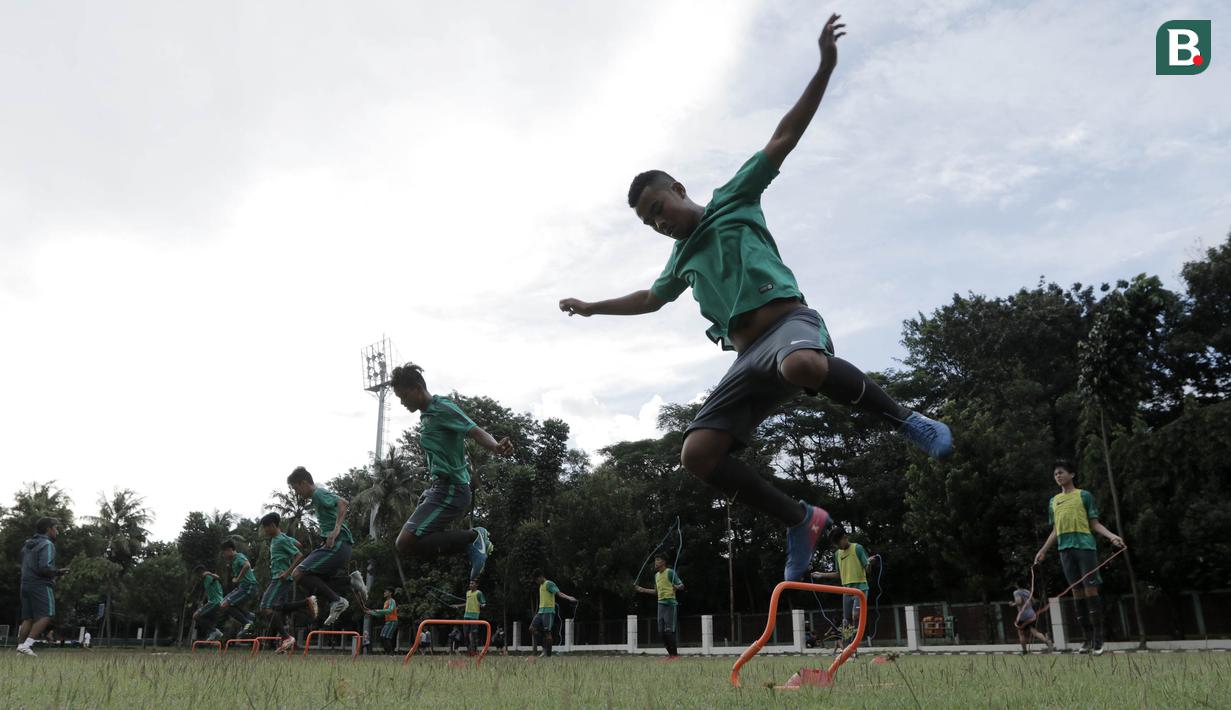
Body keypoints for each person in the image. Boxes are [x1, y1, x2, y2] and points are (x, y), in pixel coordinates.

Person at [557, 12, 952, 583]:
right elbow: (650, 298)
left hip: (790, 325)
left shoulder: (733, 198)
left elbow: (784, 136)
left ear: (678, 190)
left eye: (659, 209)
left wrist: (824, 67)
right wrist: (593, 307)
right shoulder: (680, 258)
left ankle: (908, 419)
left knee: (800, 363)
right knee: (697, 455)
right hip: (747, 359)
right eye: (648, 222)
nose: (658, 223)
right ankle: (801, 520)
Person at [389, 364, 514, 579]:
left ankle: (474, 537)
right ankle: (470, 541)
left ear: (418, 388)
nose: (402, 402)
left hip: (452, 490)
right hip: (439, 489)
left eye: (404, 396)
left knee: (405, 542)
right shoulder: (427, 415)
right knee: (409, 544)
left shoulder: (442, 407)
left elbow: (473, 429)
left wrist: (495, 446)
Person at [1035, 460, 1124, 656]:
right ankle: (1086, 639)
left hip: (1084, 547)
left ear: (1072, 474)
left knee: (1090, 590)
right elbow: (1055, 530)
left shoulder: (1084, 496)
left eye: (1061, 472)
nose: (1058, 476)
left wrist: (1112, 536)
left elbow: (1094, 524)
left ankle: (1099, 640)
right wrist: (1042, 551)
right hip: (1064, 550)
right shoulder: (1053, 501)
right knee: (1076, 592)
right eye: (1055, 473)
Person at [287, 466, 354, 625]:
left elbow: (343, 503)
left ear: (303, 483)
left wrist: (335, 530)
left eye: (296, 488)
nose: (297, 493)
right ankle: (350, 580)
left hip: (339, 544)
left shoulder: (318, 494)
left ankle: (337, 601)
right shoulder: (317, 497)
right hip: (337, 545)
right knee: (313, 580)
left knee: (297, 574)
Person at [257, 512, 310, 654]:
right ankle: (306, 603)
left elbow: (299, 555)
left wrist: (287, 572)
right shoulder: (280, 538)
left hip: (280, 578)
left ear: (273, 525)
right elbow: (298, 544)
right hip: (279, 577)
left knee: (265, 607)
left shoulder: (280, 539)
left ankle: (286, 637)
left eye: (266, 527)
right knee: (278, 608)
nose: (265, 530)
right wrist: (290, 540)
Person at [811, 527, 878, 635]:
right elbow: (839, 574)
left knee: (855, 616)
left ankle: (854, 644)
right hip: (846, 590)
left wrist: (869, 563)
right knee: (846, 620)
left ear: (845, 538)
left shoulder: (858, 548)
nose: (838, 546)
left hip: (860, 589)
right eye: (836, 544)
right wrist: (821, 574)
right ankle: (848, 646)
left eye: (838, 543)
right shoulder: (837, 554)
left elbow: (867, 570)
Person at [16, 517, 66, 657]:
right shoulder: (47, 544)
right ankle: (27, 645)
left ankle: (20, 648)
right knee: (47, 615)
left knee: (28, 618)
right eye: (56, 528)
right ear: (48, 529)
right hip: (40, 584)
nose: (57, 532)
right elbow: (45, 567)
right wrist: (57, 572)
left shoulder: (27, 545)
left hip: (25, 584)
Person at [633, 553, 684, 658]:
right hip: (660, 605)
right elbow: (656, 592)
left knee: (669, 632)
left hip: (670, 604)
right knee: (661, 633)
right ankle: (671, 656)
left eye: (658, 560)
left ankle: (675, 656)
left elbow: (682, 585)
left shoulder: (670, 572)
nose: (656, 562)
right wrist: (642, 590)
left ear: (664, 562)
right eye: (655, 560)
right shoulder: (656, 576)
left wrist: (676, 587)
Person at [530, 570, 577, 657]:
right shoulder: (541, 586)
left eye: (536, 580)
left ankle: (548, 656)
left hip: (548, 612)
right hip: (540, 611)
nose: (536, 582)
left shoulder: (549, 584)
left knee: (548, 633)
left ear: (540, 577)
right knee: (532, 628)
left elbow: (559, 593)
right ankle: (544, 648)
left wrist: (569, 598)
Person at [218, 540, 259, 635]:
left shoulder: (239, 557)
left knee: (225, 605)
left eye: (224, 553)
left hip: (249, 586)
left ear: (229, 550)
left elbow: (247, 565)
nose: (224, 556)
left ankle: (247, 622)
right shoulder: (234, 560)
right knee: (222, 604)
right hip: (242, 587)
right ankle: (248, 616)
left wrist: (237, 579)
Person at [1012, 587, 1054, 654]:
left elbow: (1019, 602)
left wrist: (1013, 604)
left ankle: (1024, 651)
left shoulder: (1016, 592)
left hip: (1023, 615)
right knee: (1035, 632)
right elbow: (1034, 601)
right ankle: (1047, 641)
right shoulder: (1027, 591)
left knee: (1021, 633)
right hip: (1031, 614)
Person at [191, 564, 226, 642]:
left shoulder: (208, 577)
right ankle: (213, 631)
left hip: (215, 602)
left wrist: (208, 573)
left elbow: (217, 577)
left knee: (196, 616)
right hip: (215, 603)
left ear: (201, 572)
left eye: (198, 574)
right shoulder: (205, 581)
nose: (198, 577)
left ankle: (214, 631)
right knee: (201, 617)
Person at [451, 579, 486, 654]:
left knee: (473, 635)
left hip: (474, 616)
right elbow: (467, 603)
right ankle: (469, 649)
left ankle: (474, 651)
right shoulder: (468, 593)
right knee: (465, 634)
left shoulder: (479, 593)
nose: (470, 585)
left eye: (472, 583)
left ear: (477, 585)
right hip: (466, 616)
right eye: (470, 583)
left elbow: (483, 603)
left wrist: (482, 605)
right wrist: (458, 606)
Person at [365, 588, 400, 654]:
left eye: (386, 592)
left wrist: (378, 610)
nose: (384, 593)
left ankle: (391, 655)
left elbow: (390, 610)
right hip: (387, 622)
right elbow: (380, 614)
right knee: (382, 637)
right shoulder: (386, 602)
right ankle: (388, 654)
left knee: (386, 637)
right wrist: (370, 612)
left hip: (393, 621)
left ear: (390, 593)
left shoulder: (392, 601)